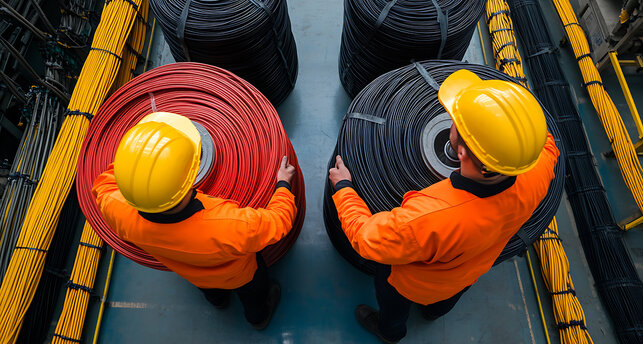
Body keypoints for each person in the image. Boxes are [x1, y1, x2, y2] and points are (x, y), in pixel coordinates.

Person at [328, 69, 560, 343]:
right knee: (447, 298)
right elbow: (546, 142)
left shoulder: (429, 218)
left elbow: (366, 238)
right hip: (467, 274)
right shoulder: (539, 170)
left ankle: (390, 332)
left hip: (411, 285)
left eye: (454, 122)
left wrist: (343, 188)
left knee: (392, 303)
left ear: (460, 152)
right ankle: (435, 312)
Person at [93, 111, 297, 330]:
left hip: (193, 275)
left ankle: (218, 301)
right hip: (241, 275)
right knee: (254, 294)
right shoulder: (230, 224)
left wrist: (140, 162)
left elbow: (102, 185)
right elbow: (279, 221)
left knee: (209, 290)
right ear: (192, 175)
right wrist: (283, 185)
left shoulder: (115, 209)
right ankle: (258, 318)